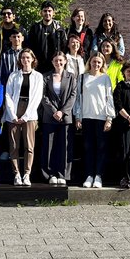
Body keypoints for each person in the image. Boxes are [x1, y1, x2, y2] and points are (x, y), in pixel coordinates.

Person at [73, 51, 114, 188]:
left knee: (101, 148)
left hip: (101, 117)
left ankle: (98, 176)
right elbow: (78, 98)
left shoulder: (105, 78)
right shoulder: (82, 78)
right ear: (89, 62)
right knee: (88, 148)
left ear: (102, 64)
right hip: (86, 117)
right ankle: (89, 175)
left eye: (99, 62)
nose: (96, 64)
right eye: (94, 61)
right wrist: (78, 116)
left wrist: (109, 118)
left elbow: (109, 99)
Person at [3, 49, 43, 186]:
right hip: (14, 110)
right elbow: (8, 95)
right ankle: (17, 174)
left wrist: (26, 116)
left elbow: (37, 98)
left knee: (29, 146)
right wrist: (12, 114)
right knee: (14, 146)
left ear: (32, 59)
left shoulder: (38, 76)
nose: (25, 60)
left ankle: (27, 174)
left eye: (28, 57)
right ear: (19, 60)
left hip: (30, 113)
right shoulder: (14, 75)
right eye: (23, 58)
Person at [41, 51, 77, 186]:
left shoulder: (72, 77)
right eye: (56, 60)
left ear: (65, 61)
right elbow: (43, 96)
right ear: (52, 62)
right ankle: (50, 174)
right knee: (49, 146)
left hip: (65, 117)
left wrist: (62, 112)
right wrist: (54, 111)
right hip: (49, 117)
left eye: (61, 60)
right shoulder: (46, 77)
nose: (58, 63)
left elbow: (73, 96)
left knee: (65, 147)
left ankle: (63, 174)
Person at [27, 1, 66, 70]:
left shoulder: (59, 29)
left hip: (55, 67)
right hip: (38, 67)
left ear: (53, 13)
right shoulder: (35, 28)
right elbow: (30, 48)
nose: (47, 13)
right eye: (45, 11)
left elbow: (64, 47)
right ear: (41, 12)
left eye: (49, 11)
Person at [0, 7, 24, 71]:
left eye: (9, 13)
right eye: (4, 14)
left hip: (18, 67)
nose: (6, 15)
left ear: (14, 16)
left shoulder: (21, 30)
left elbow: (27, 49)